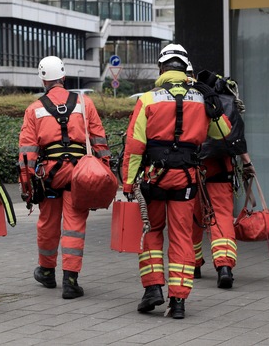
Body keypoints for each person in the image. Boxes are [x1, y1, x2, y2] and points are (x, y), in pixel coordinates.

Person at [121, 43, 231, 319]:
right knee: (182, 238)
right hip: (186, 178)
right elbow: (223, 133)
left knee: (151, 231)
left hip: (153, 179)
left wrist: (127, 183)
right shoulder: (200, 100)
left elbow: (134, 146)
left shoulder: (147, 100)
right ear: (185, 70)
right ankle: (179, 301)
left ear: (161, 69)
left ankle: (153, 289)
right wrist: (211, 99)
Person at [18, 56, 111, 300]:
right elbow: (99, 141)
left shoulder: (34, 109)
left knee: (48, 223)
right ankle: (70, 280)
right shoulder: (84, 103)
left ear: (42, 79)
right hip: (80, 173)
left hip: (48, 175)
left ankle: (47, 271)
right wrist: (104, 171)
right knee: (75, 225)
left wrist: (27, 186)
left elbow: (27, 153)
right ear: (63, 77)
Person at [192, 70, 256, 289]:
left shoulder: (191, 101)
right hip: (222, 167)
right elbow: (237, 139)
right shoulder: (227, 102)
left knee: (193, 217)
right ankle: (225, 266)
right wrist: (247, 163)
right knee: (221, 217)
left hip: (194, 168)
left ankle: (194, 263)